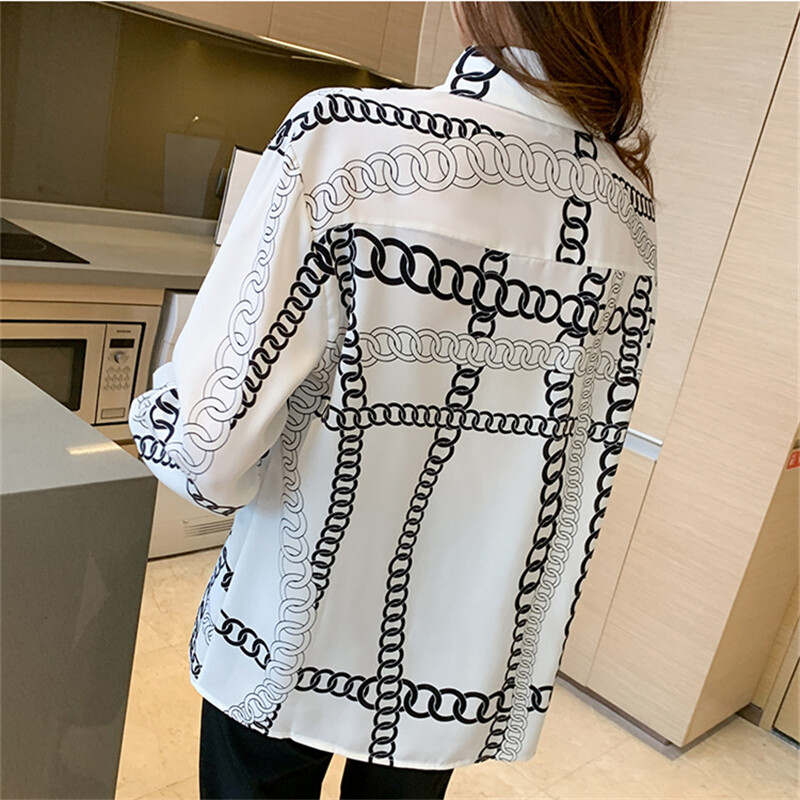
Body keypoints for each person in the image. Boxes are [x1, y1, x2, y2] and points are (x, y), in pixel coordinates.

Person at [128, 2, 666, 798]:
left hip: (286, 628)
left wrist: (153, 420)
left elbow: (207, 448)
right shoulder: (629, 212)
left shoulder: (345, 138)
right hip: (449, 665)